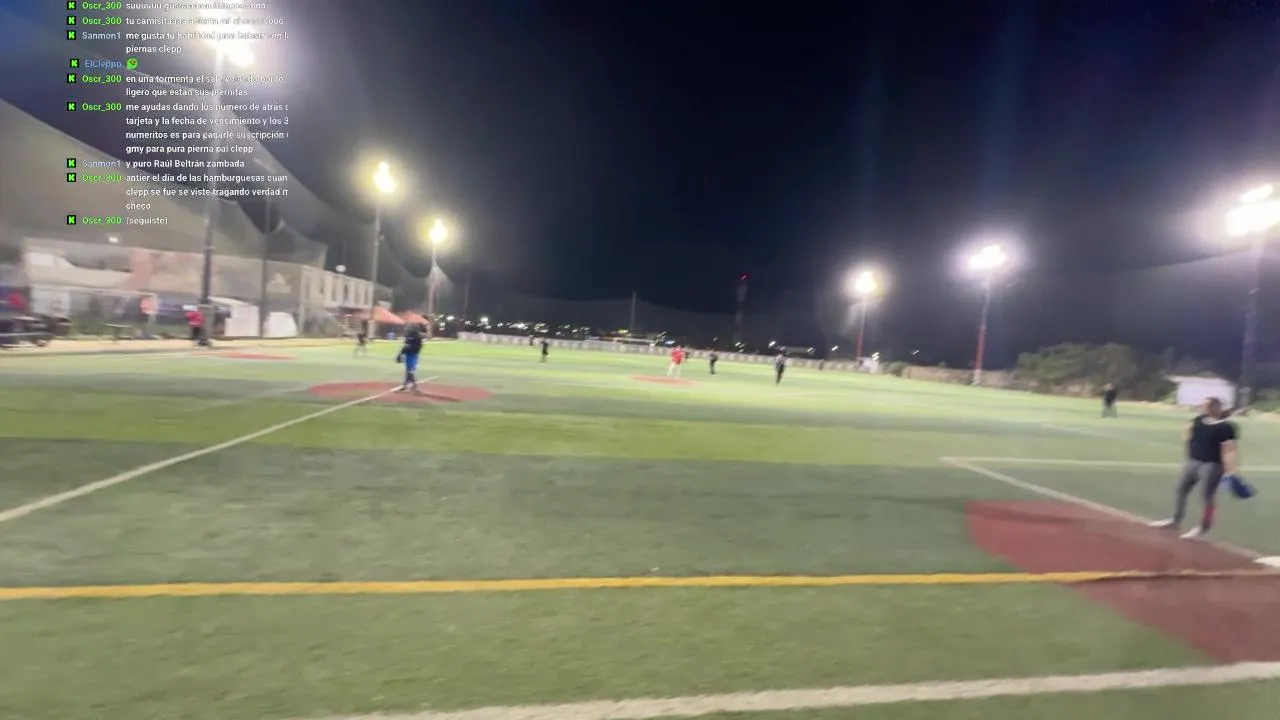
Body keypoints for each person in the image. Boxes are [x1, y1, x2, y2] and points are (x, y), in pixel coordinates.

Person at [1149, 397, 1243, 539]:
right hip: (1192, 461)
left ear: (1215, 407)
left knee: (1206, 496)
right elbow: (1187, 433)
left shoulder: (1226, 427)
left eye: (1205, 405)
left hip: (1212, 465)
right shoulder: (1199, 420)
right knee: (1180, 490)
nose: (1202, 408)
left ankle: (1203, 526)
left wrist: (1231, 470)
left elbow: (1229, 449)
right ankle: (1175, 520)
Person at [395, 324, 424, 393]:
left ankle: (414, 386)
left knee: (410, 371)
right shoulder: (417, 337)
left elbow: (407, 346)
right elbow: (408, 346)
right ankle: (406, 385)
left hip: (412, 355)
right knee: (409, 370)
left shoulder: (414, 337)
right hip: (412, 355)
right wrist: (401, 353)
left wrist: (400, 354)